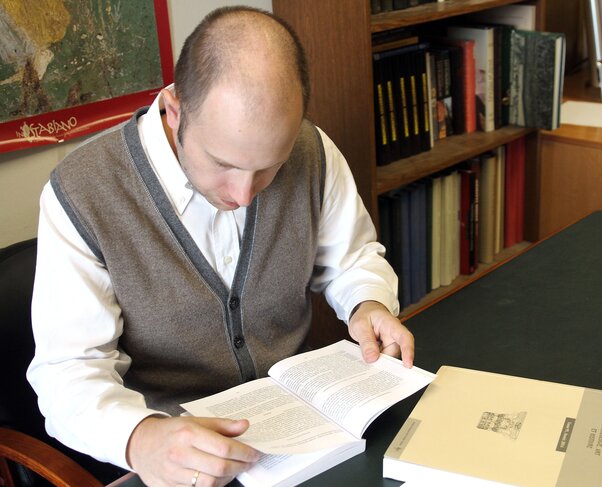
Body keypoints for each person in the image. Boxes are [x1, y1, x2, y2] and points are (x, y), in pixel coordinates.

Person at [27, 6, 414, 487]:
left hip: (304, 438)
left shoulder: (310, 149)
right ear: (175, 110)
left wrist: (366, 302)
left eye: (269, 167)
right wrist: (140, 438)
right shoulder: (84, 192)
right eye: (223, 164)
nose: (244, 195)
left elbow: (352, 259)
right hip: (176, 459)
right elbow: (68, 372)